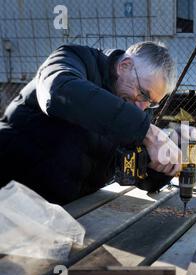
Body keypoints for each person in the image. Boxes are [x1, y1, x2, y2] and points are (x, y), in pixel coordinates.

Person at [0, 42, 183, 205]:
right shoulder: (73, 57)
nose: (142, 107)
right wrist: (147, 132)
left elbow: (136, 174)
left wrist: (164, 165)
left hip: (67, 211)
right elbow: (58, 92)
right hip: (10, 198)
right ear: (124, 66)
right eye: (143, 93)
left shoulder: (136, 109)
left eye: (151, 102)